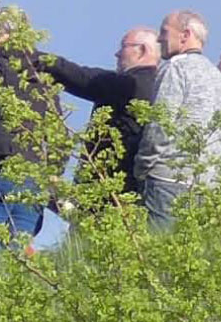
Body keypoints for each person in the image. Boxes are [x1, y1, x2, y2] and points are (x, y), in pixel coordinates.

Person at [0, 14, 62, 248]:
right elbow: (58, 128)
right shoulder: (44, 70)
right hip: (33, 173)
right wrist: (54, 169)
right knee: (20, 248)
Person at [138, 9, 221, 224]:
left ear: (185, 35)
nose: (159, 39)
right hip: (204, 188)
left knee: (158, 244)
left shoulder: (175, 68)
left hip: (166, 180)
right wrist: (214, 181)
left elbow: (160, 125)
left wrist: (142, 167)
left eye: (164, 32)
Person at [44, 27, 161, 203]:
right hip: (127, 194)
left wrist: (37, 59)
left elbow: (82, 77)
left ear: (142, 50)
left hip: (108, 193)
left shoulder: (131, 84)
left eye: (123, 47)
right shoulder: (158, 89)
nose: (117, 54)